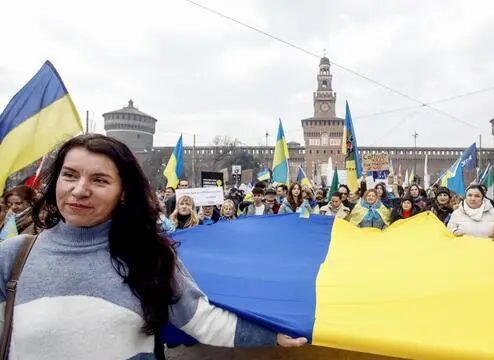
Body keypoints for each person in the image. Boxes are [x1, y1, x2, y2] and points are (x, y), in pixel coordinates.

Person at [0, 134, 306, 359]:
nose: (80, 190)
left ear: (123, 193)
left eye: (100, 180)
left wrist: (276, 334)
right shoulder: (13, 257)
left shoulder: (149, 256)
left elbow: (199, 319)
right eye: (69, 175)